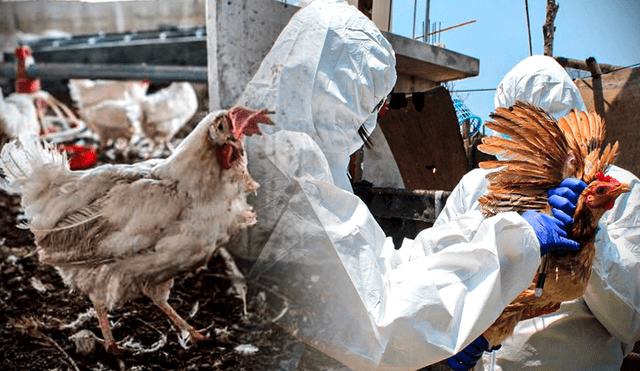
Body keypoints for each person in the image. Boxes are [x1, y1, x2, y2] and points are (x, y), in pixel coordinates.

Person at [233, 2, 581, 369]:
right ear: (341, 87)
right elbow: (382, 326)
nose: (376, 116)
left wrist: (489, 233)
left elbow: (379, 268)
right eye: (373, 100)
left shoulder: (281, 154)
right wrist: (513, 243)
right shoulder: (288, 175)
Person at [438, 55, 640, 370]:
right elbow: (439, 269)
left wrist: (586, 228)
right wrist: (448, 331)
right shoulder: (477, 187)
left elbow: (631, 320)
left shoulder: (618, 189)